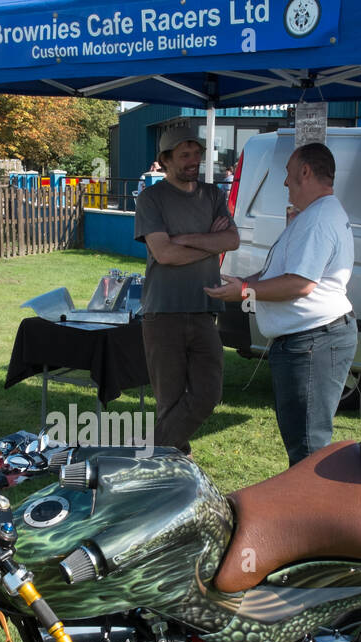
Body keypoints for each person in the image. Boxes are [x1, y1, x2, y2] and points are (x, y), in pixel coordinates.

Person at [206, 142, 356, 467]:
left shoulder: (318, 220)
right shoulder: (314, 215)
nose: (285, 182)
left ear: (305, 171)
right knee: (303, 442)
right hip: (309, 340)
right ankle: (308, 509)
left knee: (308, 448)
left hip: (312, 341)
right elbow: (283, 272)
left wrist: (245, 290)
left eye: (288, 174)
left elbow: (300, 283)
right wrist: (243, 282)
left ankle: (312, 514)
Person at [134, 128, 238, 455]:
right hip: (163, 312)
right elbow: (164, 254)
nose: (194, 162)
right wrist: (209, 240)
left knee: (208, 393)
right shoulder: (151, 198)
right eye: (185, 156)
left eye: (197, 154)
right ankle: (174, 467)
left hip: (205, 309)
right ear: (165, 161)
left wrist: (183, 238)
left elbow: (232, 241)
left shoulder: (212, 195)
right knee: (170, 400)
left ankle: (146, 453)